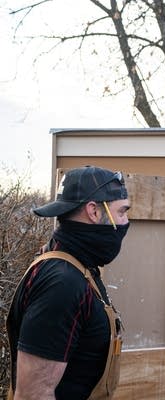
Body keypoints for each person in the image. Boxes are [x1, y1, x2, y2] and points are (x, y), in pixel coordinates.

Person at [6, 166, 130, 400]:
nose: (125, 222)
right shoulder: (62, 284)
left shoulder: (81, 267)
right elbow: (33, 394)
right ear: (94, 211)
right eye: (121, 212)